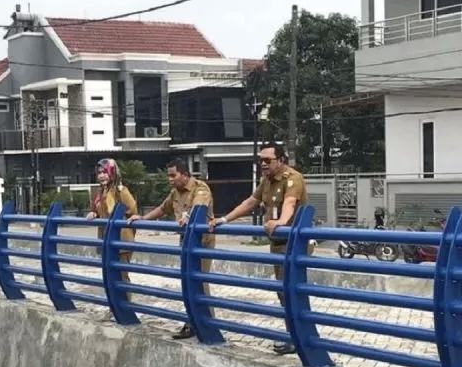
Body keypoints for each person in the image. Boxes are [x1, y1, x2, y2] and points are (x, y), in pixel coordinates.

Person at [208, 142, 312, 356]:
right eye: (261, 160)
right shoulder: (266, 181)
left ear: (280, 160)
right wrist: (225, 219)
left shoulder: (293, 178)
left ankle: (302, 338)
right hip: (278, 244)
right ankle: (297, 336)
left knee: (292, 291)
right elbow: (250, 202)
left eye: (267, 160)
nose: (263, 164)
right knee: (284, 292)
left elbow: (290, 203)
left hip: (294, 243)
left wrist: (281, 223)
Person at [127, 158, 215, 340]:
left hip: (202, 243)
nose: (170, 179)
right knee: (187, 283)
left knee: (200, 282)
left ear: (184, 174)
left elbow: (199, 206)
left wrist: (188, 217)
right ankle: (191, 322)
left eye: (173, 175)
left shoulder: (200, 188)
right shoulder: (175, 192)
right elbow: (163, 208)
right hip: (185, 242)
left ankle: (208, 324)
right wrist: (143, 219)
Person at [86, 158, 138, 298]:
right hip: (106, 238)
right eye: (99, 173)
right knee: (109, 276)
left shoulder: (121, 191)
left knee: (122, 276)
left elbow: (132, 209)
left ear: (112, 173)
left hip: (121, 240)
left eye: (105, 172)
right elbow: (98, 210)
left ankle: (126, 307)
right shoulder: (100, 192)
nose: (101, 175)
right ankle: (114, 307)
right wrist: (94, 213)